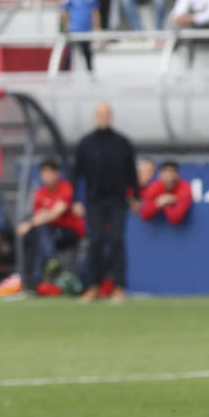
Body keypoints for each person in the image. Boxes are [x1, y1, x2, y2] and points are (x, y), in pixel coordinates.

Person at [71, 101, 138, 302]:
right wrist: (76, 200)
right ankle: (93, 286)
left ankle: (119, 287)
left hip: (118, 200)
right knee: (95, 242)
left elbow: (131, 173)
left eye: (106, 114)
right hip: (94, 200)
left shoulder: (122, 143)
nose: (103, 117)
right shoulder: (86, 143)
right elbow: (77, 175)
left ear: (111, 116)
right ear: (95, 116)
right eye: (100, 114)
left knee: (117, 241)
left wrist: (135, 195)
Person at [15, 158, 85, 294]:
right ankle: (43, 271)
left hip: (69, 232)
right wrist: (38, 219)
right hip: (49, 234)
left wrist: (30, 223)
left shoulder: (65, 187)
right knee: (38, 235)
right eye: (43, 173)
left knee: (41, 232)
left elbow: (57, 212)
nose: (46, 177)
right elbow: (39, 215)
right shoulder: (40, 192)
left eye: (49, 172)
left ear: (56, 174)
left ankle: (36, 278)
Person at [62, 0, 101, 72]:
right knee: (69, 55)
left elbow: (95, 12)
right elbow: (65, 12)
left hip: (87, 31)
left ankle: (91, 74)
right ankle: (64, 74)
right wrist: (66, 27)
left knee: (88, 54)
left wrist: (97, 28)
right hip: (75, 30)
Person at [139, 160, 194, 224]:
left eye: (172, 175)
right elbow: (144, 213)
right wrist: (159, 202)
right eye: (166, 176)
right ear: (160, 175)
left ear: (178, 176)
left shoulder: (185, 187)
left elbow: (176, 218)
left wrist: (166, 203)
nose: (169, 179)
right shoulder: (155, 186)